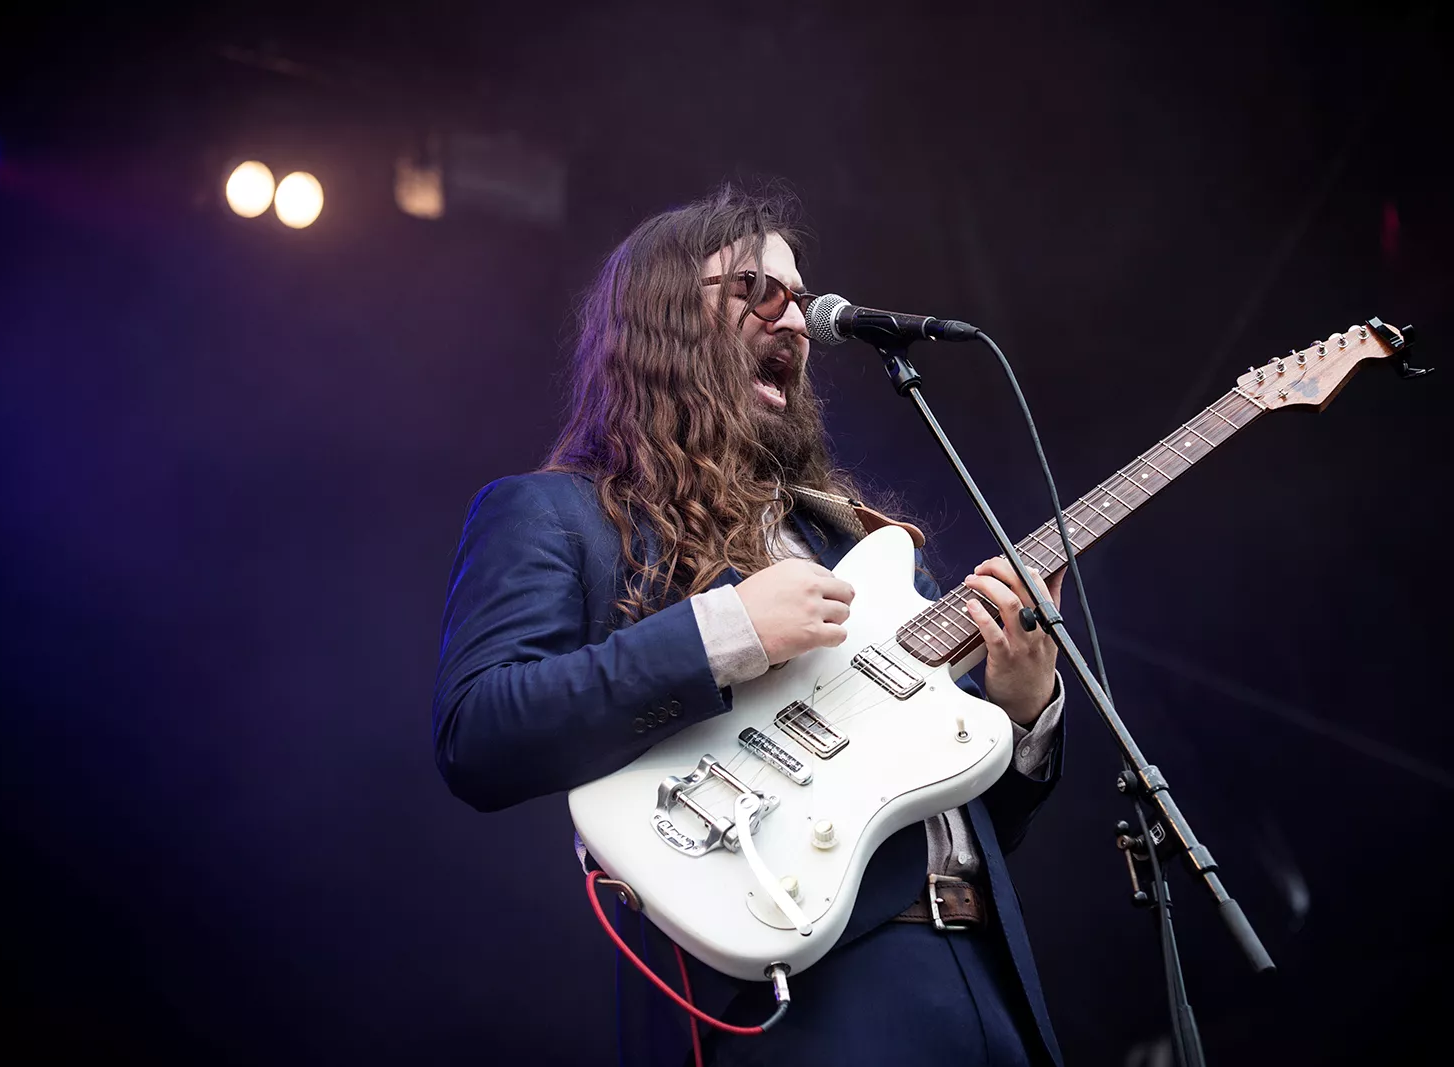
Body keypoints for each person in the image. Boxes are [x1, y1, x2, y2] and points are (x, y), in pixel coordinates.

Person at [432, 185, 1070, 1066]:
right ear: (661, 320)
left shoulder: (860, 547)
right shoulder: (553, 515)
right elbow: (478, 732)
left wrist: (1023, 708)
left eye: (800, 299)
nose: (797, 320)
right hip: (795, 998)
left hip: (984, 982)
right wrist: (725, 631)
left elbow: (954, 805)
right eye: (756, 290)